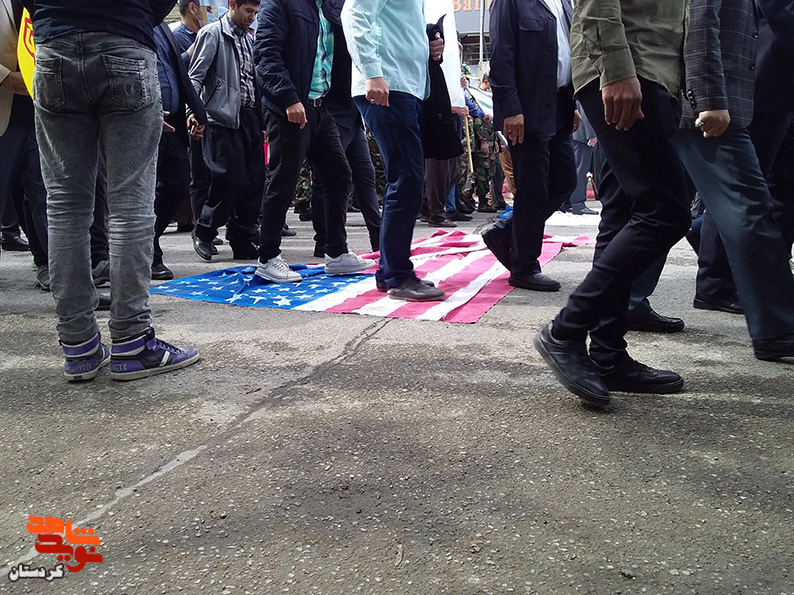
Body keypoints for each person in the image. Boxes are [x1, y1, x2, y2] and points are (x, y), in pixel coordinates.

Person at [24, 0, 200, 381]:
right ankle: (132, 340)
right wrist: (137, 15)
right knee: (129, 204)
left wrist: (50, 14)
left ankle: (78, 345)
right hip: (125, 38)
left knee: (65, 206)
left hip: (55, 41)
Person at [533, 0, 692, 406]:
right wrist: (617, 68)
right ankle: (566, 331)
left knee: (623, 214)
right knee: (666, 213)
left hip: (649, 70)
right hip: (630, 69)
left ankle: (607, 354)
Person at [676, 0, 794, 362]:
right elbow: (701, 20)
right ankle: (722, 286)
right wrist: (709, 97)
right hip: (742, 90)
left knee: (768, 195)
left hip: (763, 88)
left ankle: (762, 296)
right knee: (745, 201)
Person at [253, 0, 374, 283]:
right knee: (283, 182)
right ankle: (268, 257)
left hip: (322, 107)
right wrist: (288, 98)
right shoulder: (281, 3)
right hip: (289, 108)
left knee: (339, 175)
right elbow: (265, 54)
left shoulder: (332, 7)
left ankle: (336, 252)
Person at [342, 0, 446, 301]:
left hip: (404, 86)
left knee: (406, 179)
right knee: (407, 179)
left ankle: (391, 271)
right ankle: (397, 275)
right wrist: (372, 71)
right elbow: (354, 14)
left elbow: (394, 27)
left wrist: (427, 44)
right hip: (388, 84)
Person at [483, 0, 577, 292]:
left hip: (560, 104)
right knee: (532, 186)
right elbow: (501, 55)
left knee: (565, 181)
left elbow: (569, 52)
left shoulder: (564, 2)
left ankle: (506, 231)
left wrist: (572, 104)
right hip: (527, 107)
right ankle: (524, 265)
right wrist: (511, 108)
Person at [188, 0, 265, 262]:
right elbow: (195, 76)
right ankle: (204, 231)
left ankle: (242, 238)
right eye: (248, 11)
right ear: (232, 4)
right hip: (220, 117)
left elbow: (254, 82)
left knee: (255, 181)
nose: (252, 17)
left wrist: (262, 122)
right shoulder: (212, 34)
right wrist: (192, 112)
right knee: (230, 180)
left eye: (255, 13)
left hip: (249, 116)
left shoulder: (250, 39)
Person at [152, 21, 207, 279]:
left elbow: (177, 70)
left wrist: (196, 111)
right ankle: (148, 253)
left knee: (177, 184)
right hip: (140, 117)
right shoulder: (131, 21)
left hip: (173, 121)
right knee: (141, 193)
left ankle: (148, 239)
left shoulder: (163, 28)